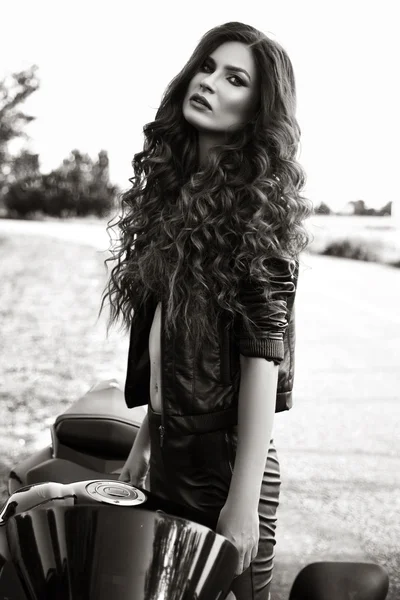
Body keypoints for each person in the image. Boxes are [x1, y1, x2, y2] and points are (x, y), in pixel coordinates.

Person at [102, 21, 312, 600]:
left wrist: (241, 504)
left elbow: (261, 363)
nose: (211, 82)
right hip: (170, 454)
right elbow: (174, 350)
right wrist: (144, 447)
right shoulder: (176, 203)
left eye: (234, 78)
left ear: (257, 110)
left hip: (227, 469)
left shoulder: (256, 216)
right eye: (207, 67)